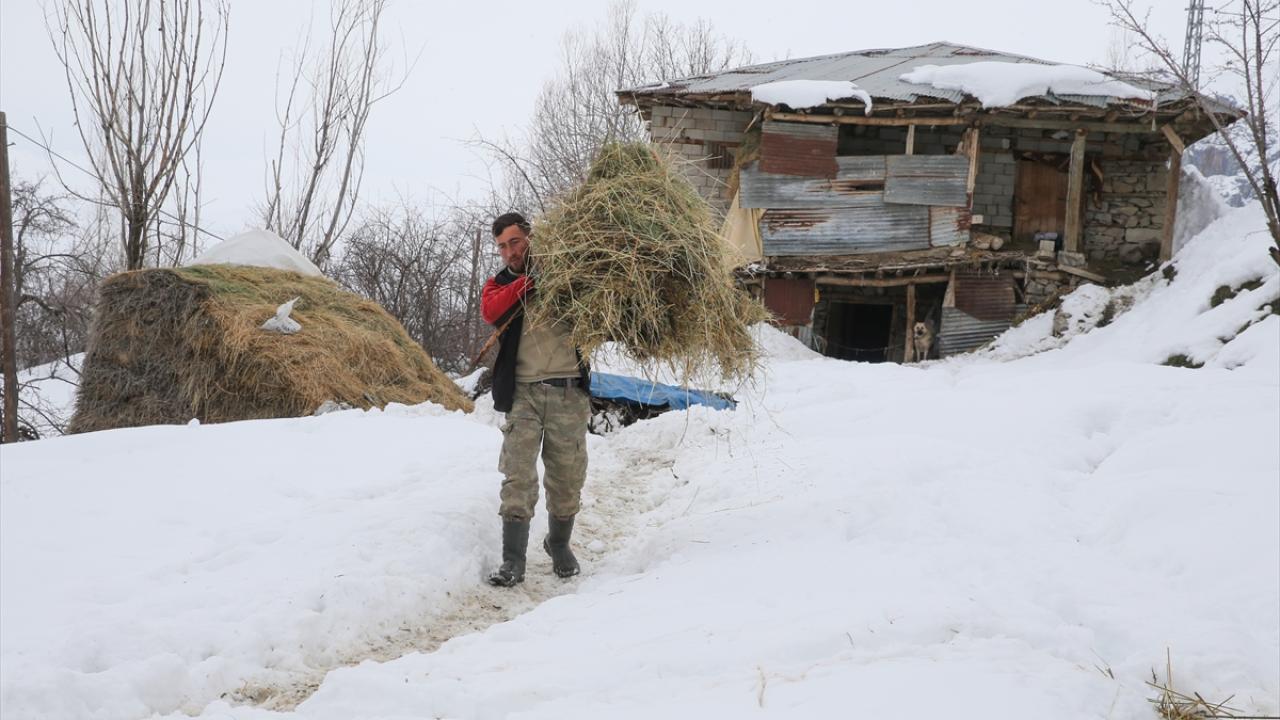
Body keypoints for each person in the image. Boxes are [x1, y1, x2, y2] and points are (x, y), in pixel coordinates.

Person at [480, 212, 592, 587]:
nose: (509, 252)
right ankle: (513, 560)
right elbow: (491, 311)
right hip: (523, 394)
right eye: (502, 247)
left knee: (567, 477)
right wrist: (527, 282)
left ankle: (558, 544)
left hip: (567, 391)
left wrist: (551, 277)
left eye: (515, 242)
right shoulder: (499, 284)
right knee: (518, 478)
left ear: (530, 237)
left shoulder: (566, 273)